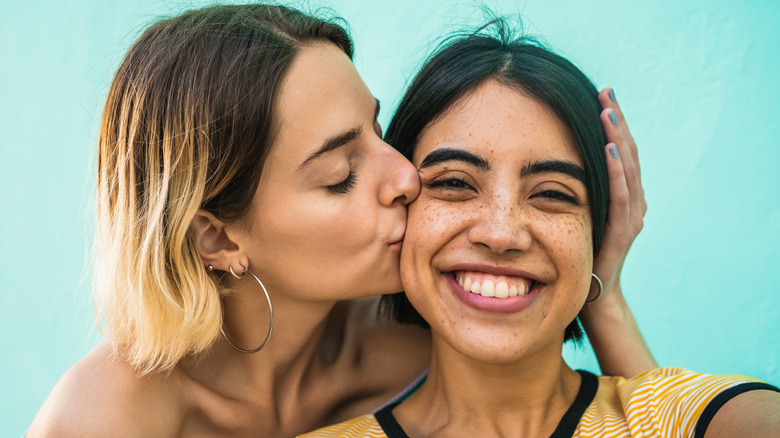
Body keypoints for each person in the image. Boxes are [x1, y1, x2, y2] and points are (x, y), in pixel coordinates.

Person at [29, 5, 654, 437]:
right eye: (340, 176)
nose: (407, 177)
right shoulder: (102, 420)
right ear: (218, 237)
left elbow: (645, 422)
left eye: (377, 131)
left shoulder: (424, 338)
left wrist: (602, 291)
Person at [302, 22, 780, 438]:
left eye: (553, 194)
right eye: (453, 183)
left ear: (600, 229)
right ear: (402, 206)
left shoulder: (705, 415)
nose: (502, 232)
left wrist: (602, 293)